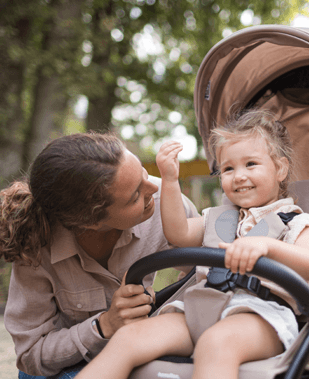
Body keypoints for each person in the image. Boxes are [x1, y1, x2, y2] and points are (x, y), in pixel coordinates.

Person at [75, 110, 309, 379]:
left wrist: (266, 247)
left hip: (261, 315)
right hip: (201, 308)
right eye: (228, 168)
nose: (239, 176)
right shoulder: (220, 218)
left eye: (251, 164)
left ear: (280, 168)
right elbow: (178, 234)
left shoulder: (296, 222)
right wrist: (170, 181)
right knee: (129, 337)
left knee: (217, 343)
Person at [0, 132, 199, 379]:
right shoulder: (35, 246)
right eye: (135, 195)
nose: (153, 188)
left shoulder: (165, 202)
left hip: (136, 350)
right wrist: (105, 325)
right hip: (67, 367)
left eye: (144, 173)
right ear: (91, 222)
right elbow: (31, 356)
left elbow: (209, 266)